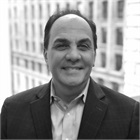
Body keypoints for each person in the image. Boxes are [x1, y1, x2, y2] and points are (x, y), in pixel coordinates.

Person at [1, 9, 139, 139]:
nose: (73, 56)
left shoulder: (129, 115)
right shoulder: (12, 111)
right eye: (62, 45)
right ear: (46, 55)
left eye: (83, 46)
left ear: (94, 56)